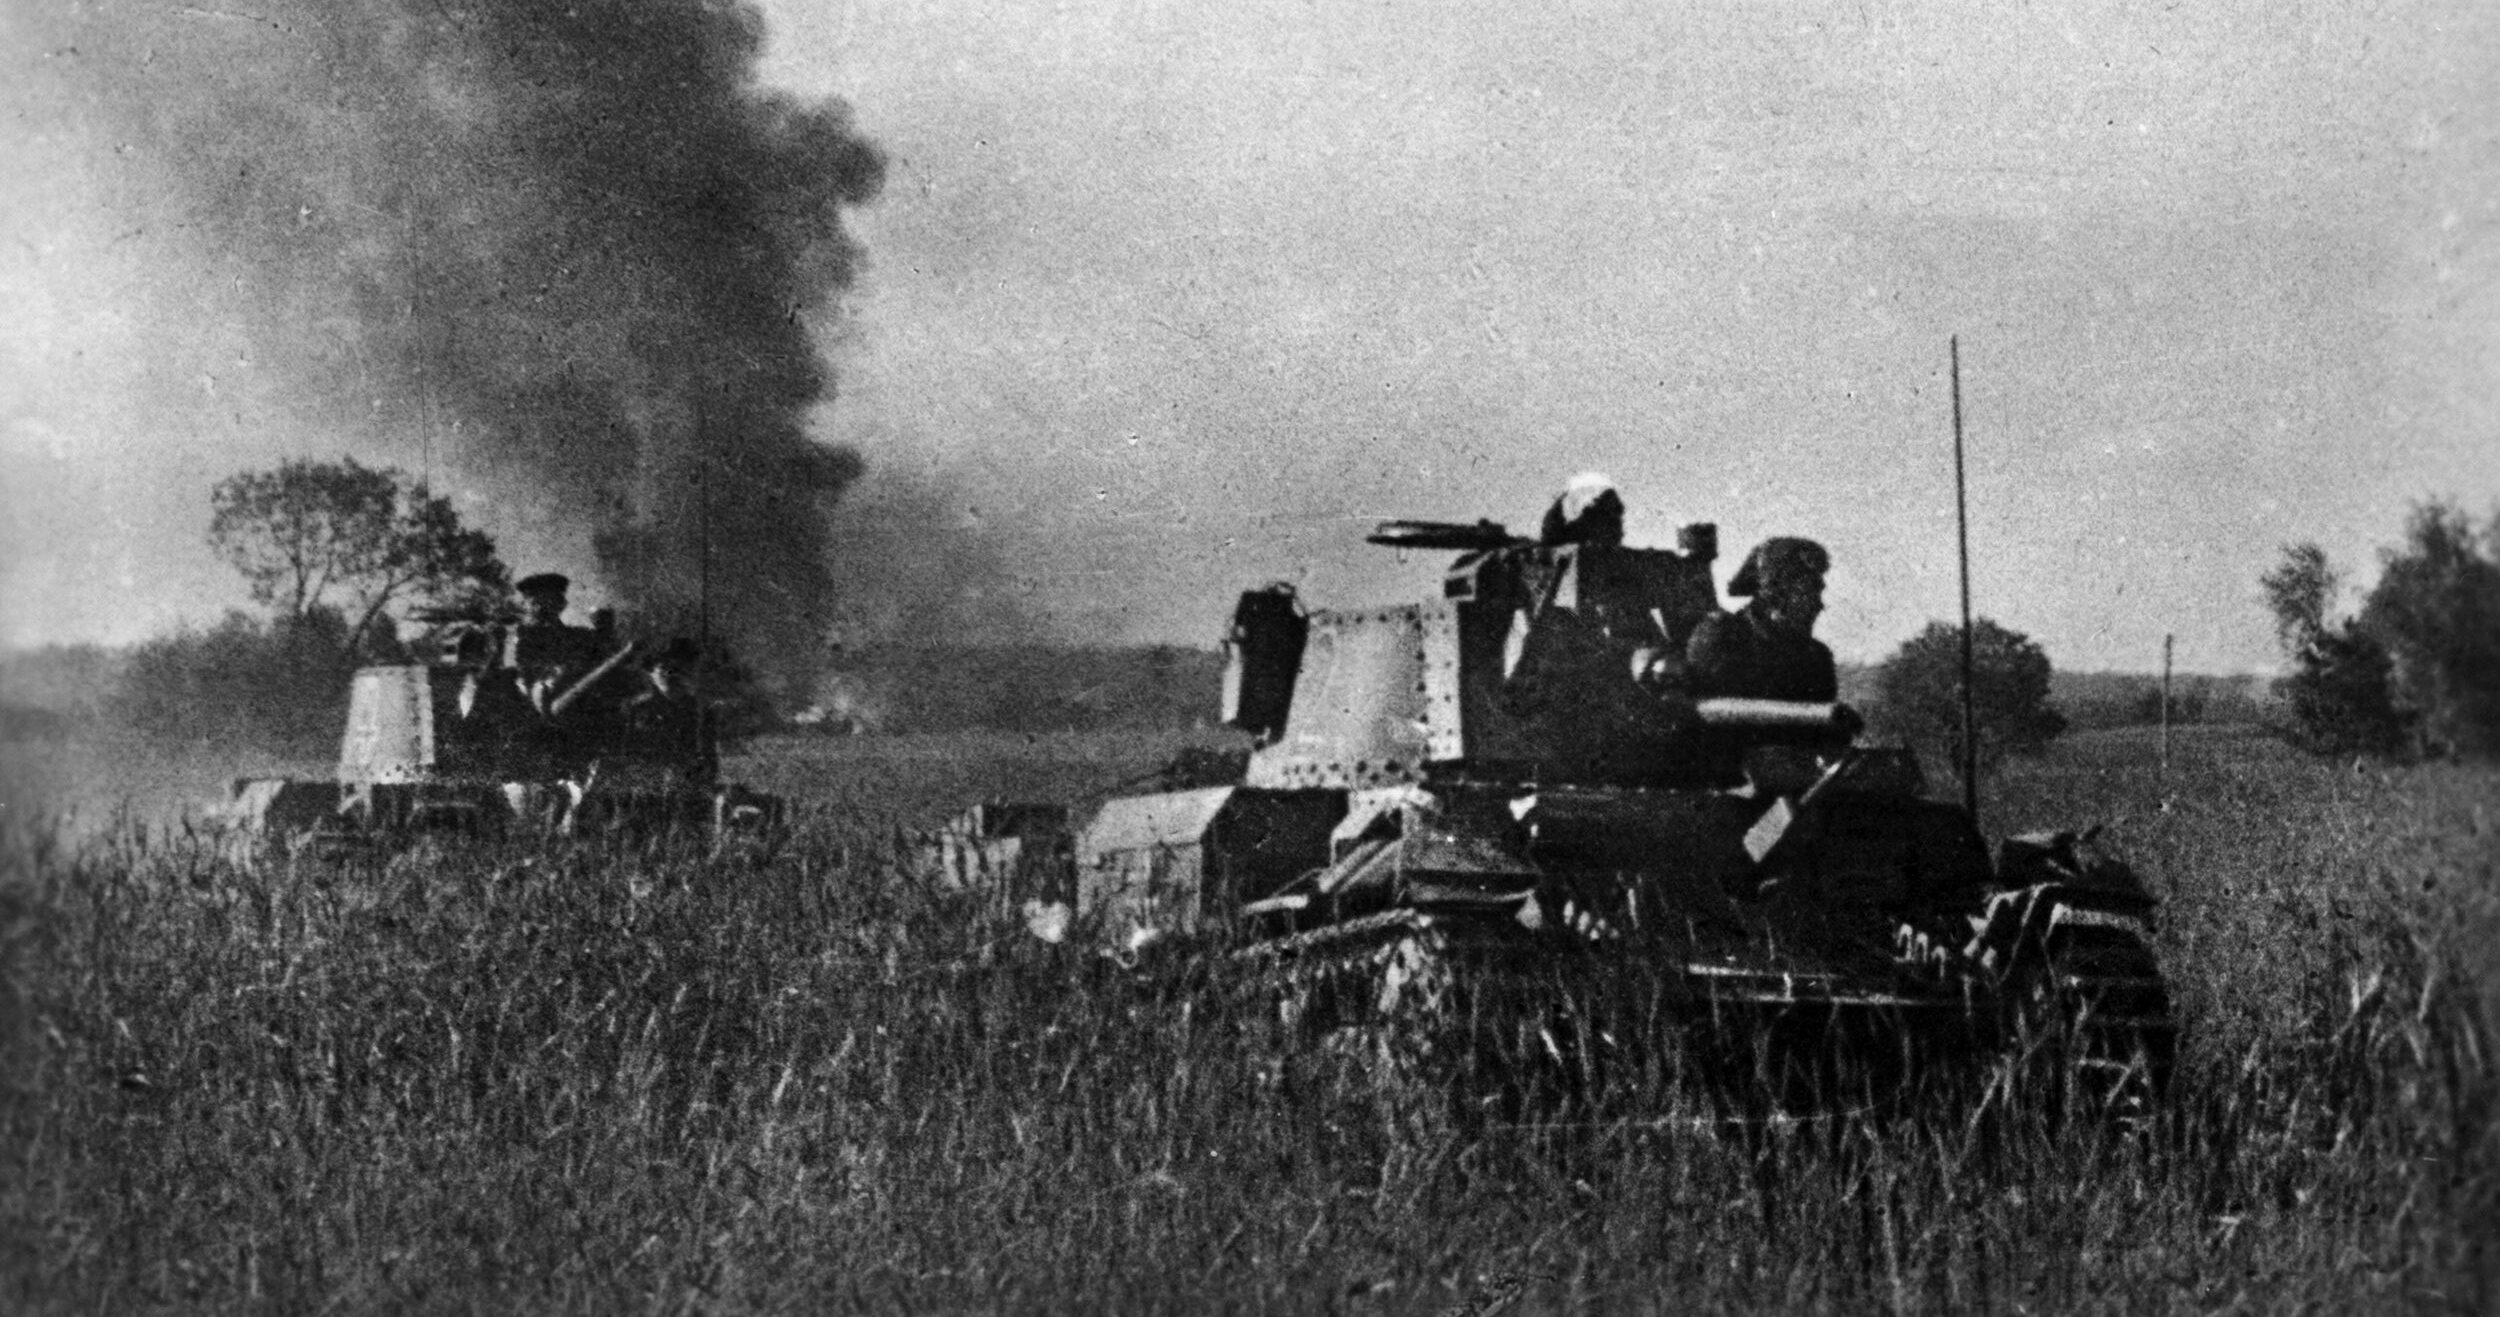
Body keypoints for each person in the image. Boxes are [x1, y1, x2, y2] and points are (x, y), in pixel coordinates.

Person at [1686, 536, 1838, 702]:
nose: (1818, 606)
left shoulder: (1816, 658)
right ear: (1776, 592)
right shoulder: (1722, 637)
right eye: (1807, 593)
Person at [509, 572, 602, 711]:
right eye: (533, 602)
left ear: (561, 604)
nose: (535, 608)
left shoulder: (582, 637)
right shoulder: (517, 637)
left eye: (539, 603)